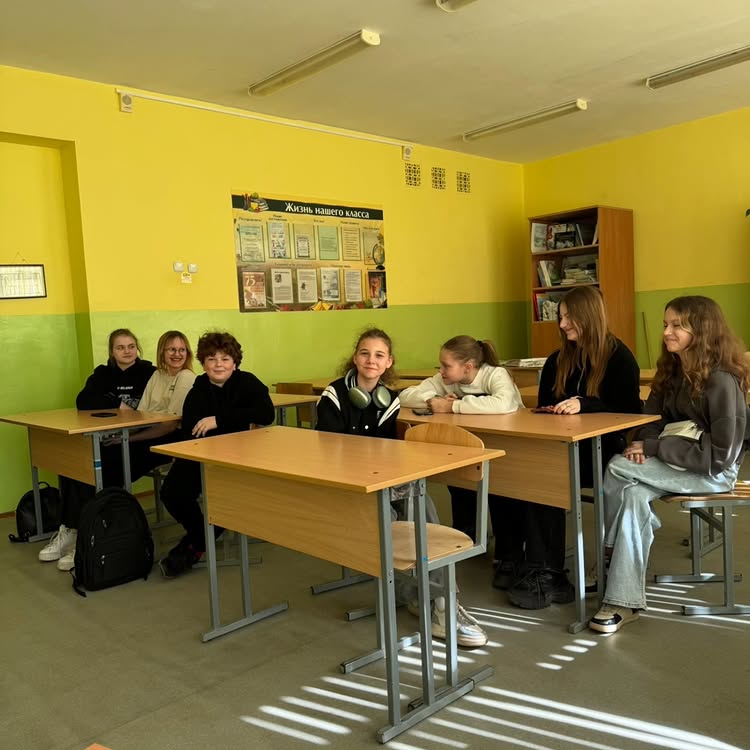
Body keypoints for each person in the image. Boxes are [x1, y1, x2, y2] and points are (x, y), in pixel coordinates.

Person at [317, 327, 488, 648]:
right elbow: (330, 450)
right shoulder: (333, 396)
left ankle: (436, 600)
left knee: (417, 499)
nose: (371, 360)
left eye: (379, 355)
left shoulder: (389, 400)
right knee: (410, 509)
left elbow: (388, 452)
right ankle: (437, 601)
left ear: (389, 362)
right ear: (355, 358)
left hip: (378, 480)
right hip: (345, 486)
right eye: (365, 353)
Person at [590, 296, 750, 633]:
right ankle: (624, 602)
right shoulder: (672, 371)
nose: (666, 332)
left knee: (617, 466)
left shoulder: (722, 380)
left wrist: (654, 447)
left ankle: (609, 549)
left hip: (712, 472)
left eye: (677, 325)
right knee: (633, 497)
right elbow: (651, 419)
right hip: (674, 462)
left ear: (702, 330)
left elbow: (720, 455)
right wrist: (646, 444)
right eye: (665, 324)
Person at [505, 286, 641, 609]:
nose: (562, 324)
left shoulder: (620, 359)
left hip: (601, 452)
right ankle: (514, 561)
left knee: (544, 477)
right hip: (561, 447)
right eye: (561, 318)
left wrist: (585, 404)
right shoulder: (557, 360)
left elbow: (630, 411)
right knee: (517, 471)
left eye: (569, 318)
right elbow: (543, 406)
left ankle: (547, 572)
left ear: (588, 317)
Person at [399, 335, 525, 567]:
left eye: (446, 366)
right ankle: (467, 538)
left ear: (468, 366)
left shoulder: (495, 374)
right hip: (470, 446)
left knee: (501, 492)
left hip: (510, 447)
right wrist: (432, 400)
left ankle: (508, 552)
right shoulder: (445, 379)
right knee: (460, 484)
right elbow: (405, 396)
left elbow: (503, 403)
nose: (441, 371)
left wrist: (452, 406)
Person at [158, 331, 275, 578]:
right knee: (171, 493)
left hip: (239, 457)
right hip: (203, 455)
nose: (218, 364)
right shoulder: (198, 389)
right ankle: (201, 537)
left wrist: (218, 420)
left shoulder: (248, 383)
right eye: (211, 359)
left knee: (224, 499)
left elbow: (266, 414)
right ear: (203, 363)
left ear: (235, 363)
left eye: (225, 359)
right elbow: (191, 429)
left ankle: (192, 547)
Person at [39, 328, 156, 571]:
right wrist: (117, 403)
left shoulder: (149, 373)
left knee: (94, 469)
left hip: (139, 441)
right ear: (112, 352)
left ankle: (85, 537)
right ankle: (71, 531)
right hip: (108, 439)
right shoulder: (103, 373)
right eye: (120, 347)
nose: (127, 351)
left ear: (137, 348)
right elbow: (83, 401)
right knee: (74, 464)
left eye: (131, 346)